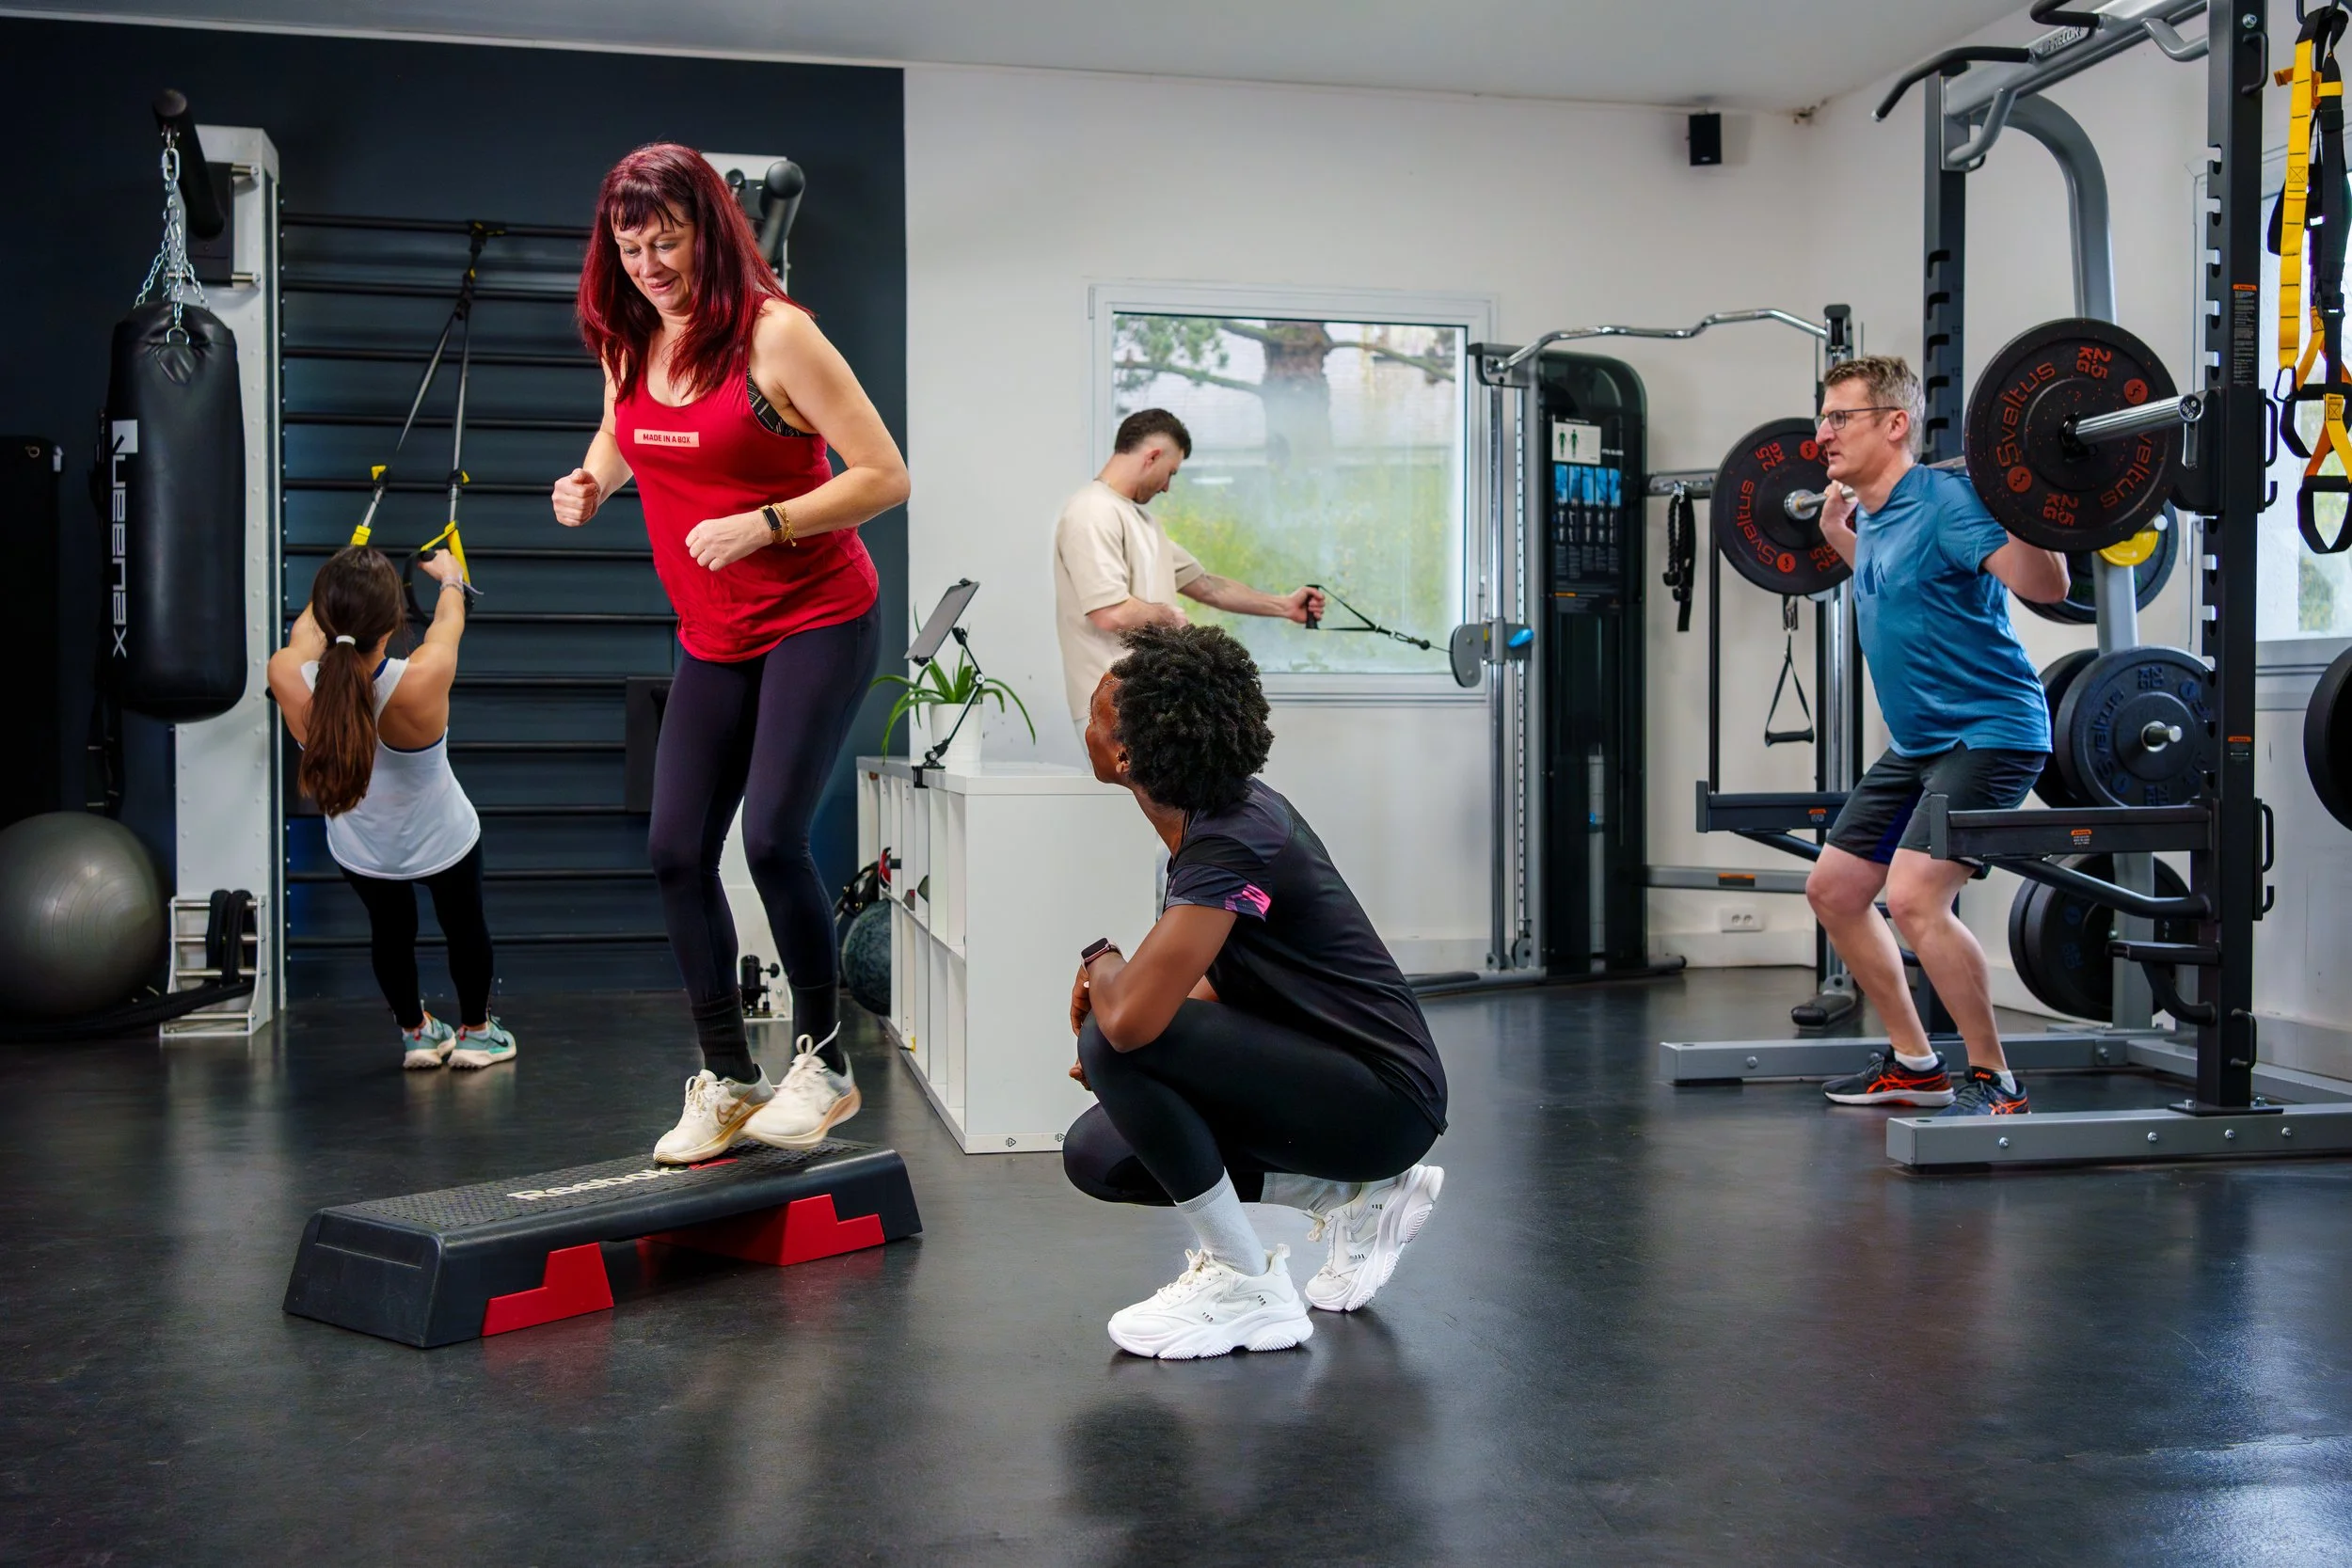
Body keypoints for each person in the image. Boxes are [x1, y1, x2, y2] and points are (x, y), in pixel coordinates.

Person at [555, 142, 910, 1164]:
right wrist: (592, 480)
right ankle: (729, 1078)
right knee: (675, 849)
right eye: (631, 249)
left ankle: (825, 1062)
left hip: (816, 612)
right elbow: (622, 431)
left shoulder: (777, 336)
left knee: (770, 837)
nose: (650, 267)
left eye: (667, 242)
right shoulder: (628, 339)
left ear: (709, 231)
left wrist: (767, 521)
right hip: (712, 630)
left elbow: (885, 475)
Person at [1062, 625, 1447, 1359]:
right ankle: (1351, 1197)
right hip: (1332, 1082)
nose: (1086, 721)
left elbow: (1133, 1019)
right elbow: (1215, 983)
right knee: (1100, 1152)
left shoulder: (1232, 837)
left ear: (1125, 755)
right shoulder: (1214, 820)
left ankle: (1247, 1283)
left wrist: (1100, 965)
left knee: (1115, 1039)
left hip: (1387, 1098)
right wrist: (1130, 1034)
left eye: (1094, 713)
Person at [1805, 356, 2071, 1117]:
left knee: (1915, 897)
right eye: (1823, 417)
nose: (1823, 434)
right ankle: (1917, 1065)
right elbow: (1896, 584)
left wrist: (2026, 494)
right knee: (1835, 891)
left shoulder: (1947, 501)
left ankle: (1997, 1080)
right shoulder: (1877, 516)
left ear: (1895, 424)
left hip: (1992, 730)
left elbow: (2048, 586)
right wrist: (1837, 535)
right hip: (1922, 742)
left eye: (1840, 417)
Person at [266, 546, 515, 1069]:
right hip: (443, 840)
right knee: (465, 926)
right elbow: (447, 623)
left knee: (389, 931)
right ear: (392, 623)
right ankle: (476, 1034)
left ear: (325, 614)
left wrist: (336, 580)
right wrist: (450, 578)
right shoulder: (422, 678)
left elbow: (306, 631)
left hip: (363, 849)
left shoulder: (286, 673)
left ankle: (416, 1033)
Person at [1052, 408, 1327, 736]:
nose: (1167, 487)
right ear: (1152, 456)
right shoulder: (1092, 511)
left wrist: (1284, 606)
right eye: (1171, 472)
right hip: (1111, 708)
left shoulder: (1142, 523)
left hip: (1147, 703)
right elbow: (1110, 612)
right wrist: (1169, 616)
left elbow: (1206, 586)